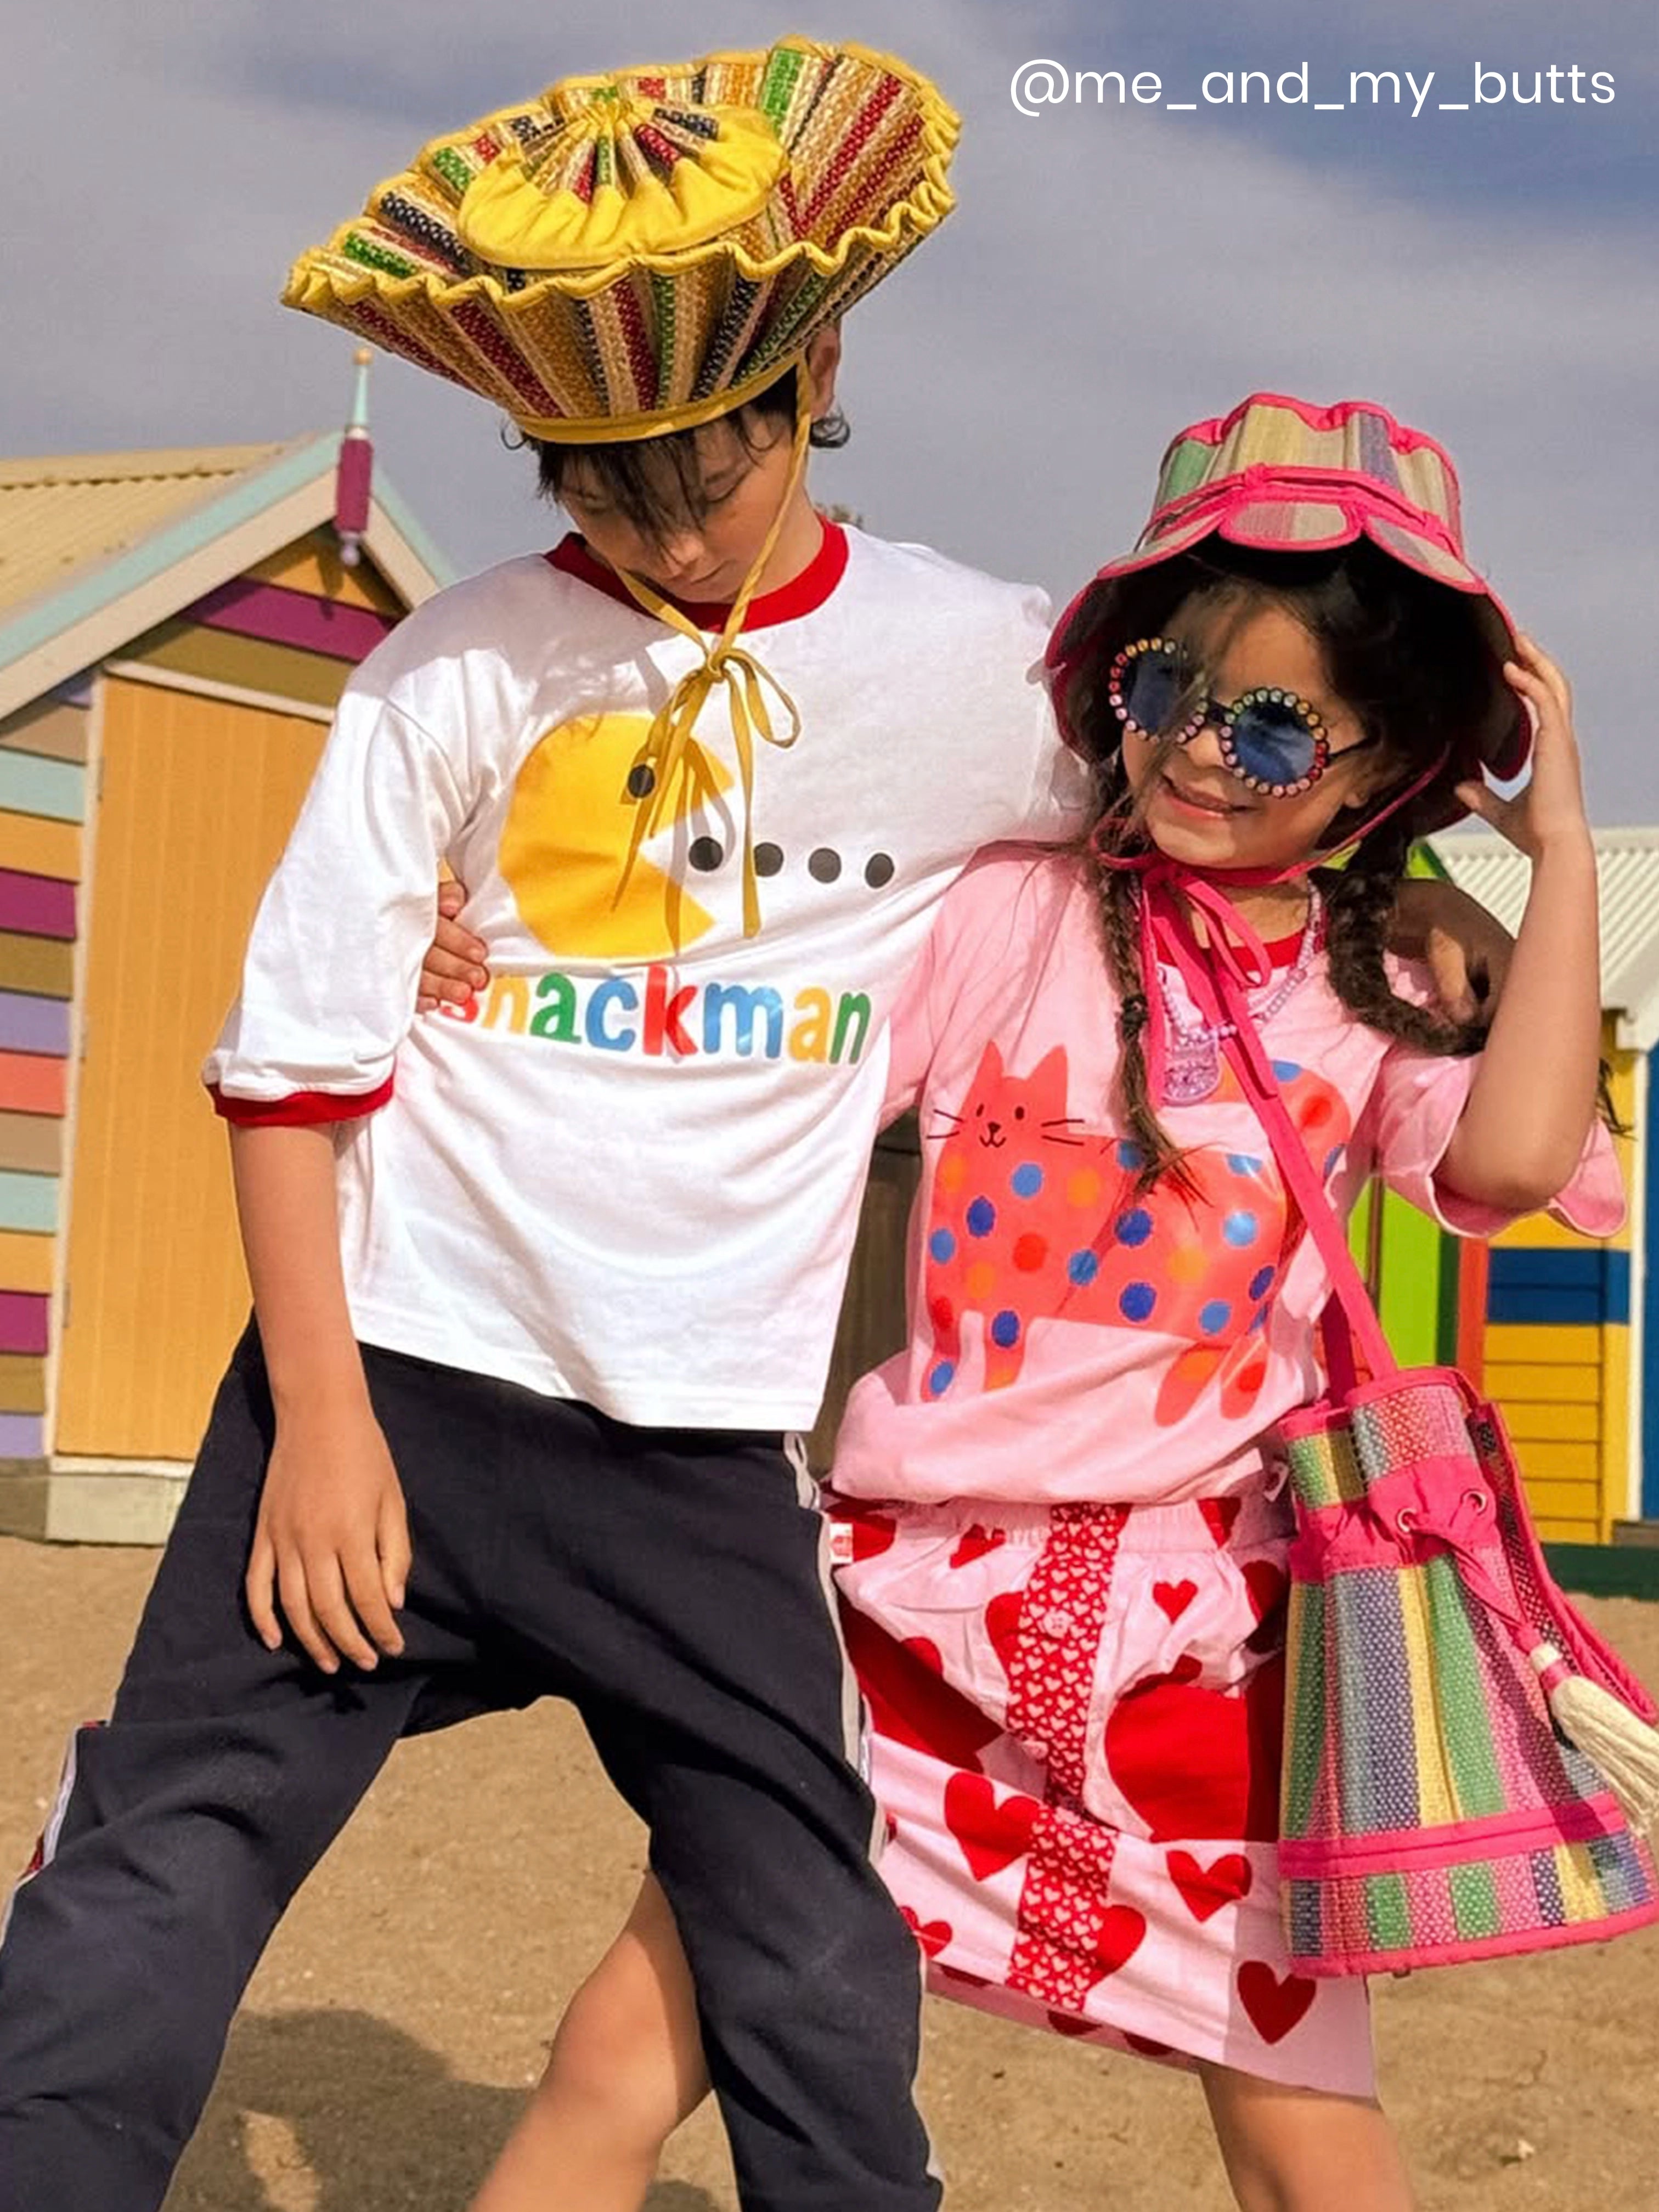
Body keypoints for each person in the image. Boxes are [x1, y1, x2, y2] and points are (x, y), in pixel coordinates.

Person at [0, 42, 1074, 2212]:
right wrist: (320, 1423)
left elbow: (1214, 812)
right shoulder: (458, 665)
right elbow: (291, 1070)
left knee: (812, 1961)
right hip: (395, 1390)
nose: (664, 530)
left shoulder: (987, 671)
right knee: (158, 1875)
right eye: (599, 482)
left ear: (817, 370)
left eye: (710, 466)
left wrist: (1426, 832)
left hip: (704, 1452)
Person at [450, 392, 1632, 2212]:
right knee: (619, 2054)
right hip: (894, 1636)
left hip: (1206, 1669)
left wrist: (1555, 861)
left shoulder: (1379, 987)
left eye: (1273, 726)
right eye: (1171, 691)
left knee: (1306, 2137)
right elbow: (750, 1039)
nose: (1203, 755)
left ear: (1381, 761)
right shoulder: (1002, 910)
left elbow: (1517, 1158)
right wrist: (476, 949)